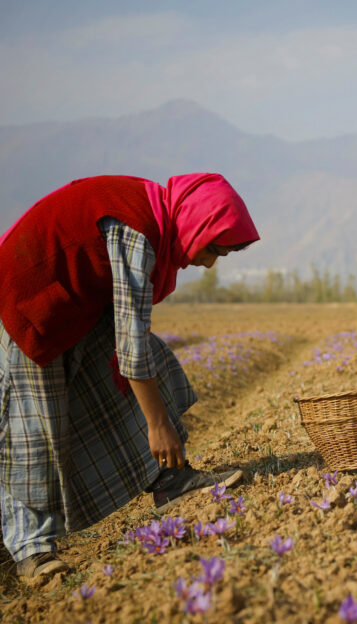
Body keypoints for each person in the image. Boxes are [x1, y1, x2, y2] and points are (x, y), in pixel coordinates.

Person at [0, 173, 260, 579]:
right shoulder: (137, 231)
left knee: (137, 373)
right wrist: (157, 425)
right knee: (36, 429)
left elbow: (132, 340)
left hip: (73, 300)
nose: (208, 264)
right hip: (29, 302)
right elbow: (130, 342)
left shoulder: (152, 215)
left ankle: (169, 478)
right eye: (213, 249)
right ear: (194, 221)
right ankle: (31, 548)